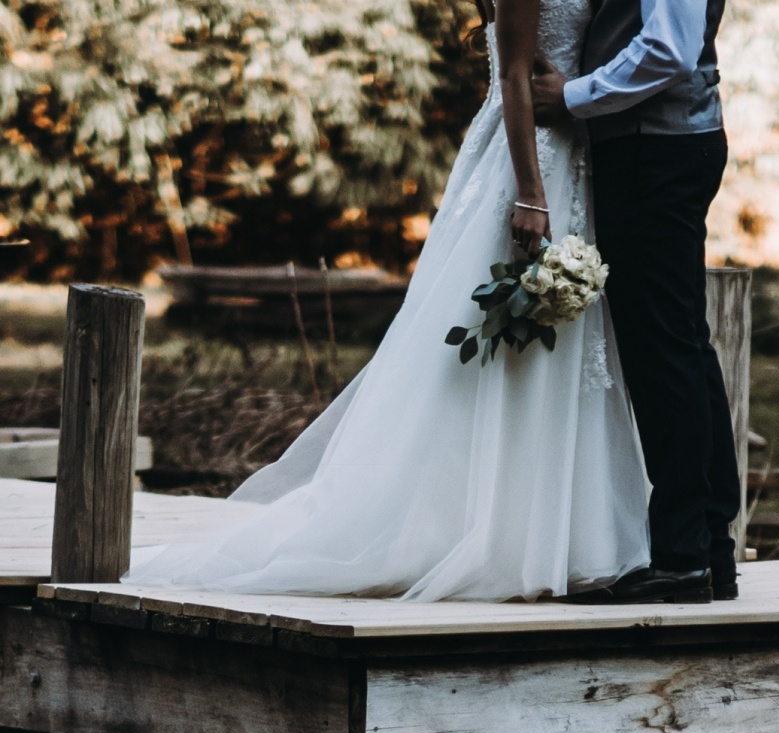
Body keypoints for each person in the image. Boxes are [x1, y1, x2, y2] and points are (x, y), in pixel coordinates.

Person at [129, 0, 651, 602]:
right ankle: (474, 531)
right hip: (528, 161)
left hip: (573, 153)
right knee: (492, 341)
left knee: (558, 351)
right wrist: (531, 193)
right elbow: (512, 76)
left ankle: (558, 535)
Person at [531, 0, 742, 603]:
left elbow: (669, 50)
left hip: (657, 149)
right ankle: (706, 549)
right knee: (679, 345)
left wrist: (572, 97)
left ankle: (682, 559)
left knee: (662, 353)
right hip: (662, 145)